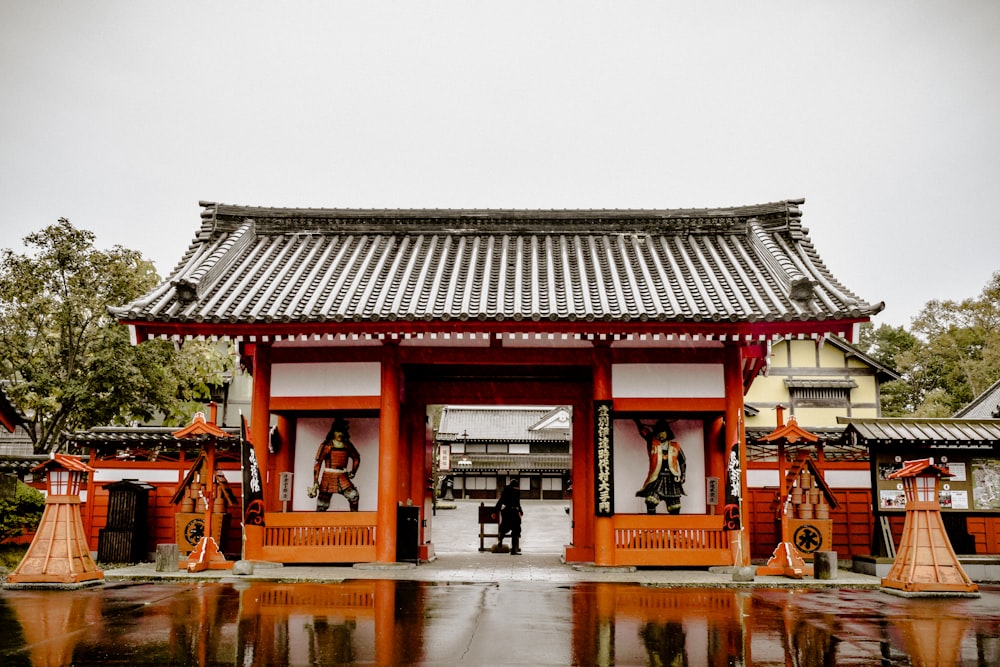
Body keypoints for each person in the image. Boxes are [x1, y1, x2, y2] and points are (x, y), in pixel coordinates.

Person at [634, 418, 686, 514]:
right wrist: (637, 421)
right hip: (657, 478)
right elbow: (643, 431)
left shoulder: (675, 446)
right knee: (651, 501)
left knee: (674, 507)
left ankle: (674, 528)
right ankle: (651, 525)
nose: (660, 435)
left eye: (662, 432)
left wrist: (683, 475)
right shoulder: (652, 442)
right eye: (658, 432)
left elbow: (682, 461)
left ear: (667, 432)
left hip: (672, 479)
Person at [310, 417, 361, 511]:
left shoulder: (347, 445)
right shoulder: (327, 446)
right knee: (322, 503)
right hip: (328, 478)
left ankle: (354, 522)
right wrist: (316, 481)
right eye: (338, 431)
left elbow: (356, 458)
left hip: (343, 477)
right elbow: (318, 463)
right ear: (333, 432)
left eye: (342, 432)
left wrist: (353, 472)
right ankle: (318, 524)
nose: (340, 434)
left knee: (354, 496)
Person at [495, 479, 523, 554]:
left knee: (504, 527)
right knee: (515, 530)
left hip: (506, 512)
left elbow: (500, 501)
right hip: (514, 512)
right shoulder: (517, 492)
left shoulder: (506, 491)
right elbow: (518, 503)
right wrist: (520, 510)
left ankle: (500, 540)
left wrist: (496, 510)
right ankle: (513, 549)